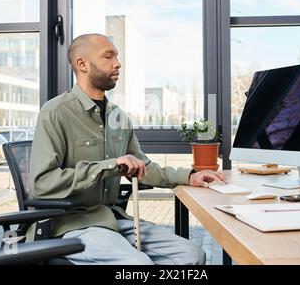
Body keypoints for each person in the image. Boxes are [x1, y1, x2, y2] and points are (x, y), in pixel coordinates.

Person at [30, 33, 226, 265]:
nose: (118, 63)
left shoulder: (118, 117)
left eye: (117, 56)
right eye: (108, 56)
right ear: (82, 64)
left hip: (114, 219)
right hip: (73, 224)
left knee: (192, 256)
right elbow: (42, 183)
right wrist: (110, 166)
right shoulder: (55, 112)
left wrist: (190, 176)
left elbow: (144, 167)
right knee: (138, 266)